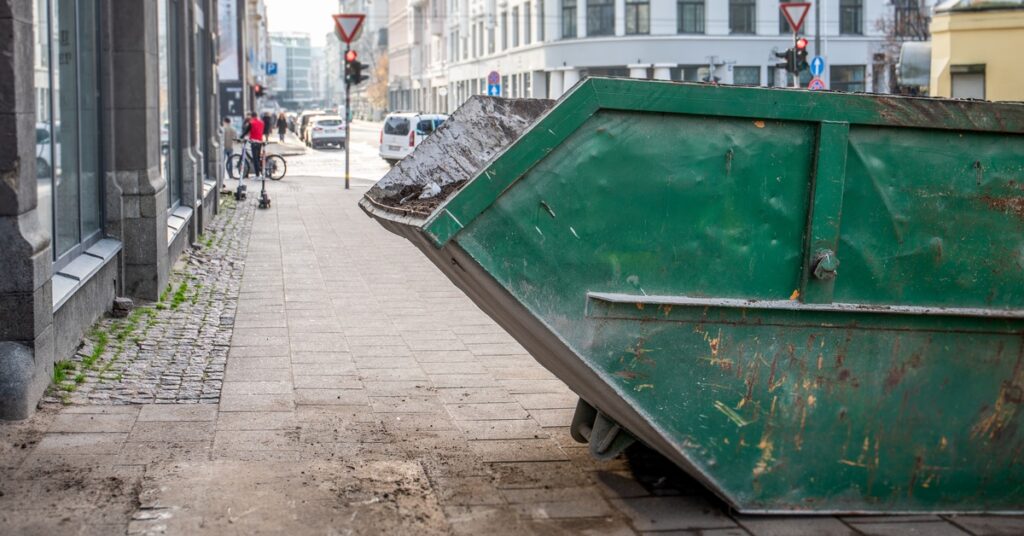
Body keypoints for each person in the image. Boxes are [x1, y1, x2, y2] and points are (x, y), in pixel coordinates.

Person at [241, 112, 265, 178]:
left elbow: (246, 131)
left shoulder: (252, 123)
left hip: (254, 142)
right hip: (260, 141)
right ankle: (260, 172)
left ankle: (257, 174)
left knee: (255, 159)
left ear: (252, 116)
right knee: (258, 157)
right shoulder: (261, 122)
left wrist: (240, 138)